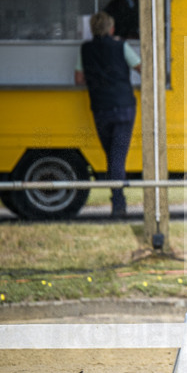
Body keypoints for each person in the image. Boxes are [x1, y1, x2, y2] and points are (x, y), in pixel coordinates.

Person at [74, 11, 141, 218]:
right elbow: (142, 68)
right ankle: (119, 204)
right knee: (117, 157)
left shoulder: (85, 49)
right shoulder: (121, 46)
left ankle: (118, 200)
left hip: (101, 108)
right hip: (123, 107)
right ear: (112, 29)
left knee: (112, 156)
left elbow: (78, 79)